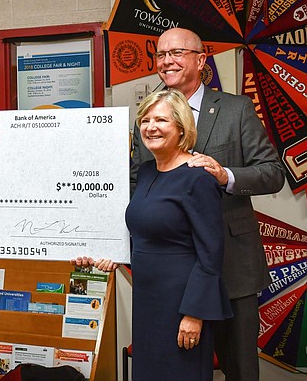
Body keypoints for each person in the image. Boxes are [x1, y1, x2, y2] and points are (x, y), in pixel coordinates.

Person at [132, 28, 285, 380]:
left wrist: (225, 175)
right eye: (160, 54)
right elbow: (137, 184)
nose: (166, 61)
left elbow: (273, 172)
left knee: (240, 370)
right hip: (173, 281)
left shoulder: (235, 109)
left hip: (232, 270)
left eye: (177, 53)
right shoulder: (149, 117)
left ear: (201, 60)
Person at [76, 89, 233, 380]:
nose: (150, 127)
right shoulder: (147, 172)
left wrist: (194, 314)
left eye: (161, 120)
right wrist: (113, 255)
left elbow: (211, 253)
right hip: (148, 300)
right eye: (145, 120)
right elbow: (145, 235)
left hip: (181, 303)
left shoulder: (197, 177)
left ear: (182, 128)